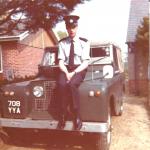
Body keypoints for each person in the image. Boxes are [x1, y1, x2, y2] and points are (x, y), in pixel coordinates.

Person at [57, 15, 90, 130]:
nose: (71, 30)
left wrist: (73, 73)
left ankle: (76, 115)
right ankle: (63, 114)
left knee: (72, 85)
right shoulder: (62, 43)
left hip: (79, 69)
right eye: (69, 27)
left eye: (73, 27)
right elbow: (60, 61)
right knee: (61, 85)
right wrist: (66, 72)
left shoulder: (84, 42)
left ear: (77, 27)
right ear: (66, 28)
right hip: (65, 69)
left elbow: (85, 62)